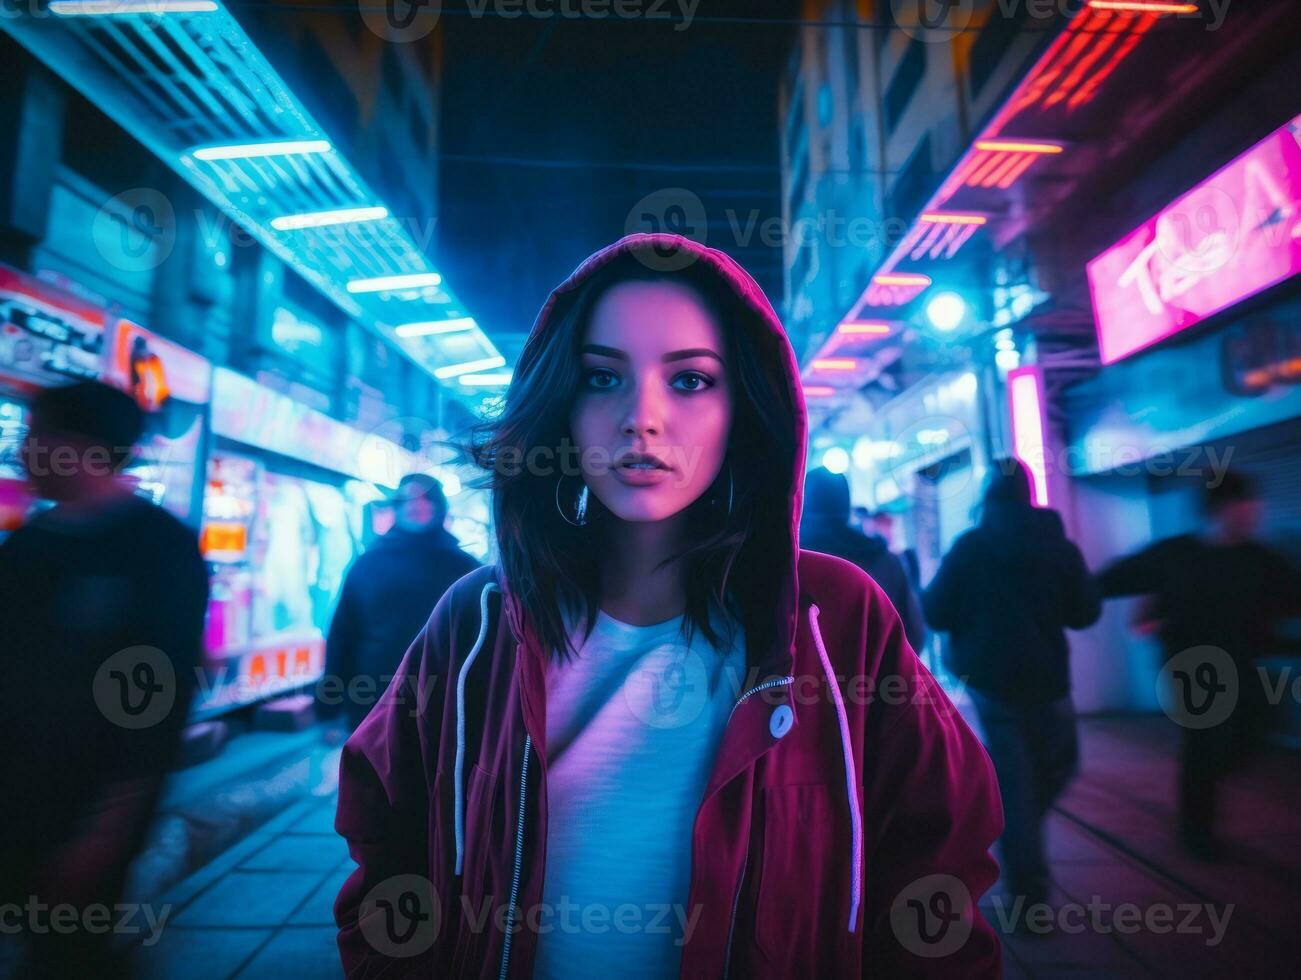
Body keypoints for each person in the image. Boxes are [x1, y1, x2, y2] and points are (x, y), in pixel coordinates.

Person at [333, 234, 1003, 977]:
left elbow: (937, 872)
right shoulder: (477, 622)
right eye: (599, 378)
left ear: (742, 408)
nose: (640, 419)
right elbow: (383, 834)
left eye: (689, 381)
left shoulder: (836, 621)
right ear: (559, 404)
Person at [0, 380, 209, 978]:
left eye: (35, 437)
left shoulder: (158, 549)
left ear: (80, 447)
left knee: (64, 956)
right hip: (16, 795)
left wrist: (112, 824)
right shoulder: (30, 547)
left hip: (84, 810)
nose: (23, 452)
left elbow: (157, 698)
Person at [922, 459, 1100, 907]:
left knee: (1016, 783)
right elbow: (1085, 612)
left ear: (987, 496)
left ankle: (1022, 863)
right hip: (1049, 680)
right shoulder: (1058, 546)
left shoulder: (970, 547)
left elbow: (936, 610)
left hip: (991, 682)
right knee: (1059, 765)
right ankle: (1028, 878)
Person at [1098, 470, 1300, 858]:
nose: (1256, 513)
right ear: (1223, 509)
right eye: (1248, 505)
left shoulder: (1262, 560)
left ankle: (1202, 800)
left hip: (1244, 665)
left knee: (1256, 727)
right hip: (1190, 667)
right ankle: (1198, 835)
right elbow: (1111, 580)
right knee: (1204, 744)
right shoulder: (1177, 555)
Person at [322, 473, 479, 733]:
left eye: (425, 499)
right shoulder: (368, 564)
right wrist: (330, 705)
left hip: (446, 703)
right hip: (374, 699)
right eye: (407, 500)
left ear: (439, 506)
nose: (416, 506)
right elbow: (343, 634)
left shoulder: (465, 568)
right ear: (397, 507)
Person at [801, 467, 925, 650]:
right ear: (846, 506)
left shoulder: (795, 566)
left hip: (816, 677)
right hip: (884, 675)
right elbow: (914, 634)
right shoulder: (884, 559)